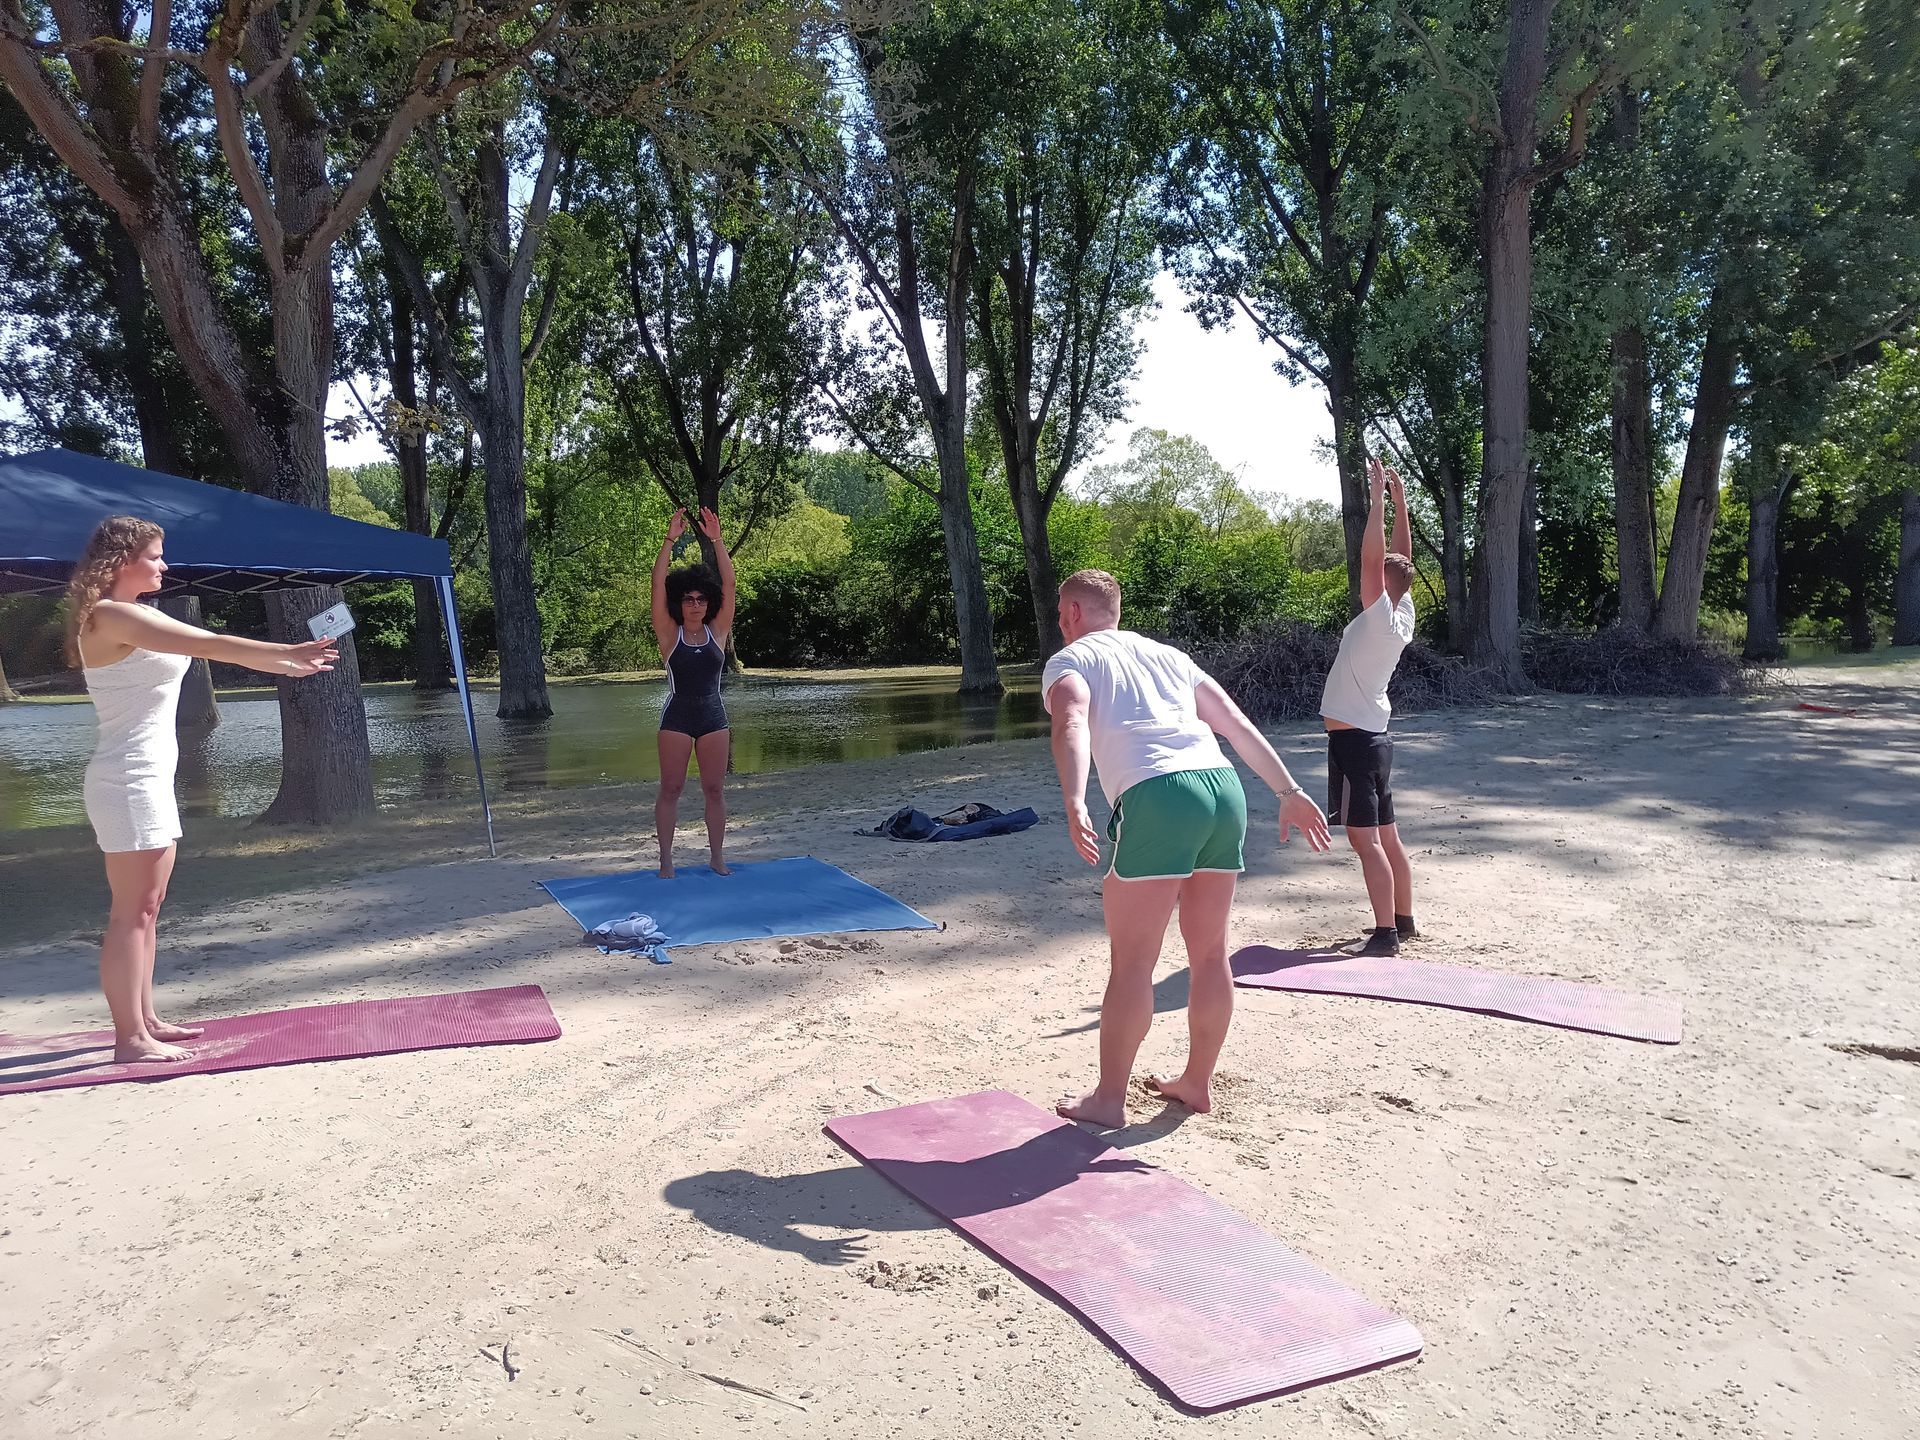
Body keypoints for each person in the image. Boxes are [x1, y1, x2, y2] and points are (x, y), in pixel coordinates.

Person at [1044, 569, 1332, 1129]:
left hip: (1159, 796)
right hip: (1223, 789)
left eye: (1060, 615)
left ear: (1074, 613)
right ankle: (1196, 1083)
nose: (1060, 625)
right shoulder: (1170, 657)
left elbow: (1071, 720)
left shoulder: (1073, 661)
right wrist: (1289, 791)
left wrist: (1075, 798)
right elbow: (1233, 723)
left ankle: (1108, 1100)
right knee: (1209, 952)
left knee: (1133, 962)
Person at [66, 516, 339, 1064]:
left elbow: (210, 646)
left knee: (149, 906)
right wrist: (285, 653)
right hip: (127, 780)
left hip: (146, 779)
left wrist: (284, 660)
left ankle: (146, 1021)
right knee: (131, 912)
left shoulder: (138, 613)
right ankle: (129, 1041)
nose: (165, 564)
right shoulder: (112, 615)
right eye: (155, 555)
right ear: (122, 560)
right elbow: (212, 644)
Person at [1321, 457, 1420, 958]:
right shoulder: (1402, 614)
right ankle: (1403, 920)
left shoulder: (1381, 616)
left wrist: (1379, 500)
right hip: (1373, 740)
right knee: (1386, 834)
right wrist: (1402, 505)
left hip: (1356, 742)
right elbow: (1401, 560)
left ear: (1383, 587)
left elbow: (1376, 559)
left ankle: (1385, 935)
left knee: (1366, 840)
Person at [650, 506, 736, 878]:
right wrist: (669, 539)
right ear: (679, 603)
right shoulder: (671, 635)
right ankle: (666, 860)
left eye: (701, 599)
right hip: (678, 716)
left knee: (714, 789)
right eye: (689, 599)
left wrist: (717, 540)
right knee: (671, 788)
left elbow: (730, 585)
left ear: (709, 603)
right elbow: (656, 584)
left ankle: (716, 856)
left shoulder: (718, 632)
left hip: (713, 716)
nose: (696, 604)